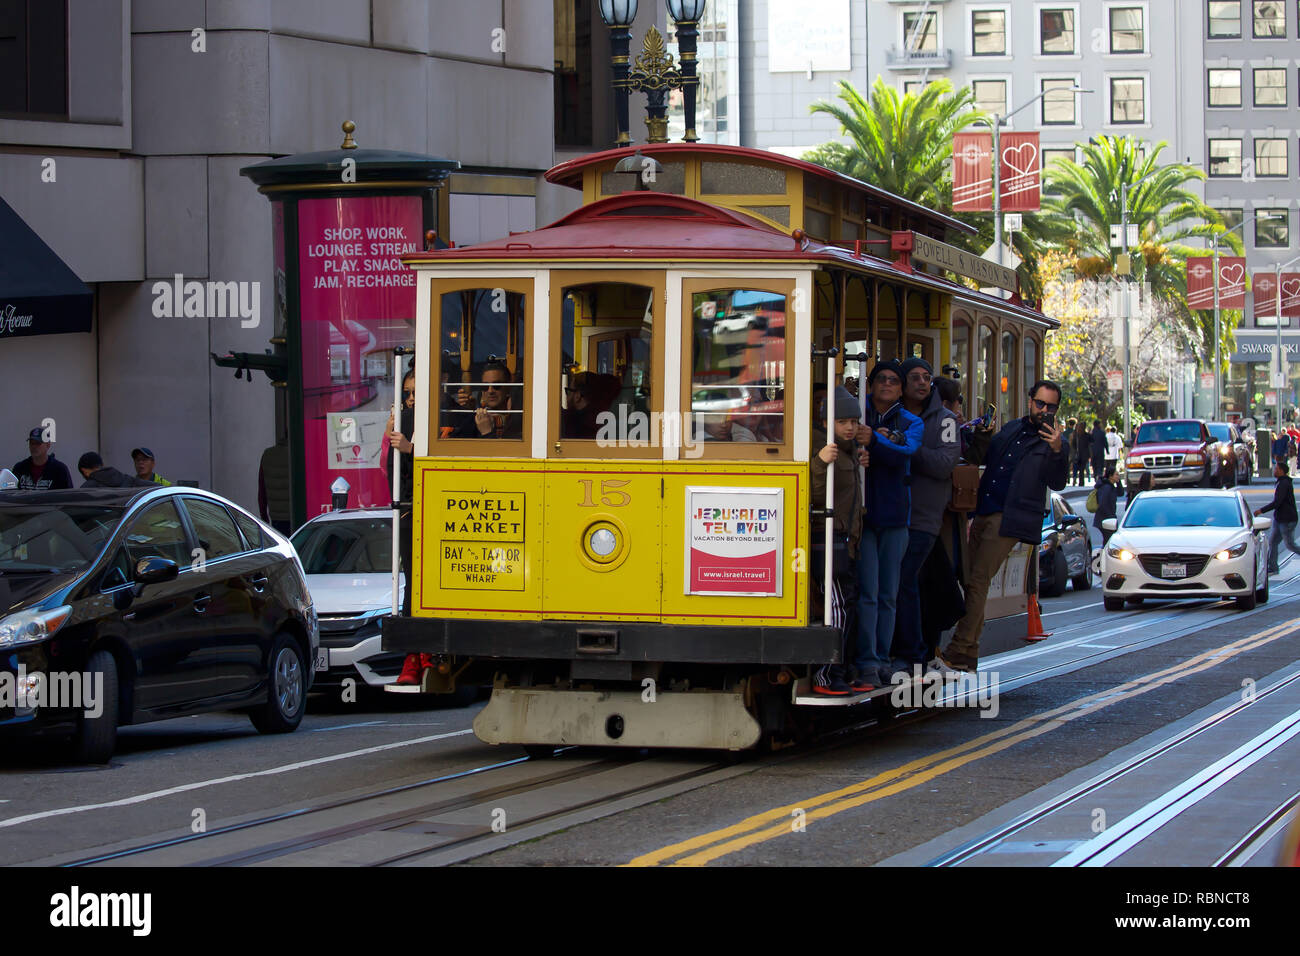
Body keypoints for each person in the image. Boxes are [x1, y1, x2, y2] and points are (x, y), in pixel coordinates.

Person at [935, 380, 1069, 673]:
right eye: (1040, 404)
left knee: (978, 578)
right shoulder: (1011, 429)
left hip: (1010, 518)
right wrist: (975, 431)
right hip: (983, 510)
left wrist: (1057, 450)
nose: (1044, 411)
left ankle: (960, 648)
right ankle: (968, 652)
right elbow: (982, 456)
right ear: (1030, 400)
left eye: (1050, 407)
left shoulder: (1055, 442)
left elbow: (1058, 482)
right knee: (968, 578)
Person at [853, 360, 923, 690]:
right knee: (867, 592)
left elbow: (905, 452)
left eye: (893, 380)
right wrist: (861, 447)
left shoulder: (911, 421)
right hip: (863, 516)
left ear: (900, 388)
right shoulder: (857, 412)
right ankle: (866, 659)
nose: (886, 385)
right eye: (880, 379)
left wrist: (876, 444)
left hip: (896, 517)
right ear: (871, 383)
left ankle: (881, 657)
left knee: (888, 594)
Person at [892, 357, 960, 675]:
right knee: (897, 583)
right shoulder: (891, 415)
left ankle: (914, 652)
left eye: (927, 377)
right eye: (915, 377)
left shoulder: (944, 420)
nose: (922, 382)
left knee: (905, 579)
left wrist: (908, 448)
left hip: (923, 518)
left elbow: (944, 464)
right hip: (890, 514)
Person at [810, 386, 864, 696]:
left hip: (847, 541)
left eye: (853, 422)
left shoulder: (849, 450)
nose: (849, 427)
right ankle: (826, 674)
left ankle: (843, 668)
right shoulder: (823, 448)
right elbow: (817, 496)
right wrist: (819, 463)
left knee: (848, 604)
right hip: (828, 539)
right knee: (838, 606)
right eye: (843, 421)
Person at [386, 368, 431, 685]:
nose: (411, 400)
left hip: (437, 514)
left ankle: (428, 655)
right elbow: (394, 480)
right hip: (409, 514)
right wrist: (394, 446)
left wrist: (411, 450)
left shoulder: (444, 420)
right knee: (412, 586)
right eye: (408, 394)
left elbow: (450, 464)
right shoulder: (404, 425)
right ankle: (413, 657)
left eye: (416, 393)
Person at [1256, 461, 1300, 574]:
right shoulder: (1282, 482)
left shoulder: (1284, 484)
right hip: (1280, 518)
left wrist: (1261, 510)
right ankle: (1273, 567)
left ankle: (1273, 567)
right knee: (1273, 542)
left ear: (1281, 471)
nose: (1275, 471)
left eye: (1276, 469)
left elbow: (1277, 502)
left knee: (1290, 545)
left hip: (1286, 520)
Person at [258, 444, 292, 534]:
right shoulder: (299, 452)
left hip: (277, 518)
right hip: (299, 517)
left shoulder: (268, 454)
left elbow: (262, 490)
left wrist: (264, 516)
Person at [77, 452, 154, 488]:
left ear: (85, 471)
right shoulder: (128, 480)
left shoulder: (87, 489)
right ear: (102, 465)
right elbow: (160, 489)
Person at [1094, 465, 1120, 546]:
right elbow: (1103, 504)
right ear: (1110, 476)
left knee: (1108, 541)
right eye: (1116, 474)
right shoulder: (1106, 487)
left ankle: (1104, 554)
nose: (1118, 476)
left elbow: (1121, 493)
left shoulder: (1111, 486)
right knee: (1109, 541)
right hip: (1105, 520)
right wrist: (1111, 517)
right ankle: (1104, 556)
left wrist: (1119, 482)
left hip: (1109, 519)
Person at [1072, 420, 1091, 486]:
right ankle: (1081, 482)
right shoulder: (1086, 436)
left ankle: (1079, 480)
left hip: (1080, 454)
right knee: (1081, 469)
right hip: (1083, 455)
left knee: (1079, 468)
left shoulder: (1077, 435)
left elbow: (1073, 444)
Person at [1089, 419, 1106, 484]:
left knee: (1094, 464)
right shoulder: (1102, 432)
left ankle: (1096, 475)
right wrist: (1107, 449)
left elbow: (1089, 442)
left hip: (1093, 451)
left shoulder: (1091, 432)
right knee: (1100, 464)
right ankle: (1099, 475)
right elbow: (1105, 441)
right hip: (1100, 451)